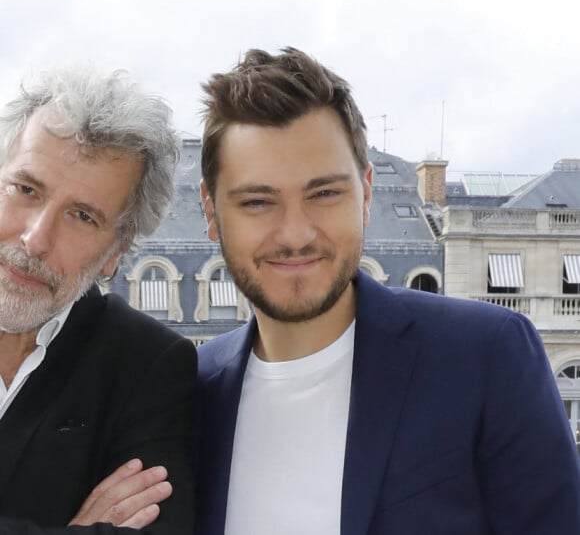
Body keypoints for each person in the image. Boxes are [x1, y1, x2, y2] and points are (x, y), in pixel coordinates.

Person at [195, 47, 580, 535]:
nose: (294, 234)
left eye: (324, 194)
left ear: (367, 193)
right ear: (211, 212)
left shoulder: (485, 358)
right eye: (256, 201)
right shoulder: (187, 392)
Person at [0, 67, 196, 535]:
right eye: (26, 189)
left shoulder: (149, 367)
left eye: (82, 216)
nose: (34, 239)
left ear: (116, 251)